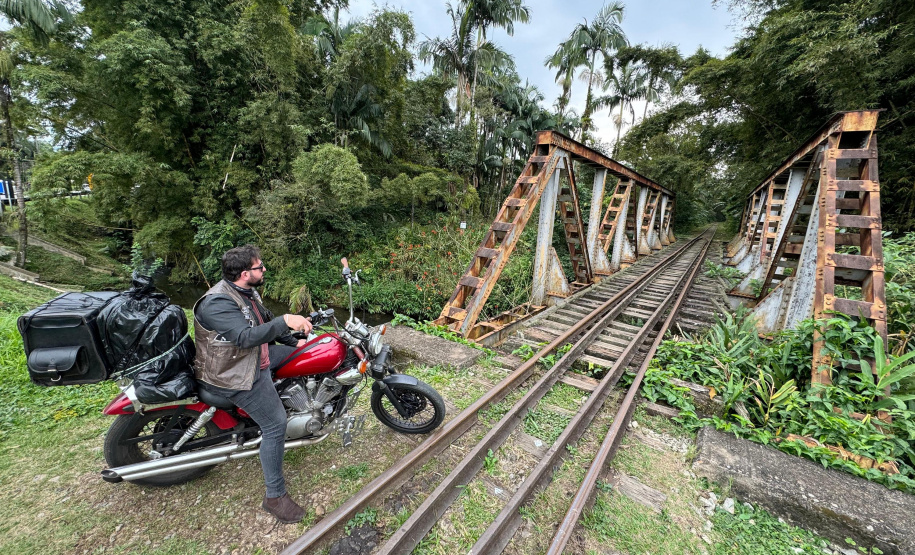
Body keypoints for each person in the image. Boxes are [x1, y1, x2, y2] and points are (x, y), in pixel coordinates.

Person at [192, 244, 313, 523]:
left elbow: (265, 322)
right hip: (233, 373)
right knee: (275, 425)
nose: (265, 269)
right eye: (260, 267)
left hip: (256, 358)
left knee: (310, 354)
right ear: (246, 273)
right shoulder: (217, 302)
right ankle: (275, 496)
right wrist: (286, 319)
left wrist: (296, 339)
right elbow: (245, 337)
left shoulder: (246, 291)